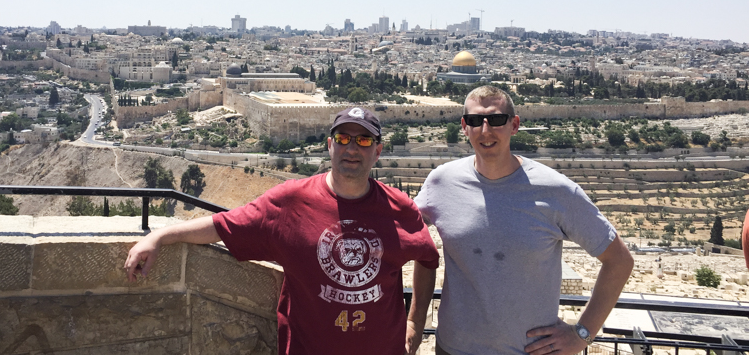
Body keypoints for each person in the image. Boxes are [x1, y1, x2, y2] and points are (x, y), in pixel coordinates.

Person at [125, 106, 439, 355]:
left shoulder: (399, 207)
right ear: (330, 145)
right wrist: (160, 237)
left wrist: (415, 321)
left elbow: (427, 256)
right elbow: (225, 225)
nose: (352, 148)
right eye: (343, 139)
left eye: (364, 140)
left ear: (378, 151)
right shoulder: (290, 200)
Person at [410, 85, 634, 355]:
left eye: (495, 120)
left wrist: (582, 333)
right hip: (452, 349)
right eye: (474, 121)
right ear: (464, 127)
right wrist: (414, 321)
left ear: (514, 125)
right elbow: (411, 242)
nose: (485, 130)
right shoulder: (442, 182)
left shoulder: (556, 190)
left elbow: (619, 261)